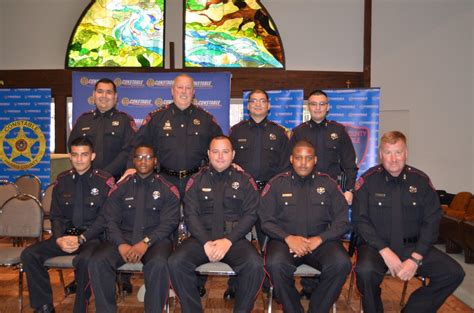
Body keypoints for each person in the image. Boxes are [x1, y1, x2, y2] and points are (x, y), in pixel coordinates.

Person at [352, 131, 465, 313]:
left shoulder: (420, 181)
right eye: (388, 152)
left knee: (453, 273)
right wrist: (385, 251)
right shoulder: (368, 181)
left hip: (412, 247)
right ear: (381, 154)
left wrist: (416, 258)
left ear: (406, 153)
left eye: (398, 152)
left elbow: (432, 220)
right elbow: (360, 221)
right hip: (376, 247)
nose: (394, 158)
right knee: (365, 272)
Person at [168, 136, 264, 313]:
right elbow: (190, 214)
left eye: (225, 152)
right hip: (201, 239)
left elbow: (251, 214)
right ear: (208, 154)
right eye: (216, 151)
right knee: (176, 262)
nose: (220, 156)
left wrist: (228, 241)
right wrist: (205, 242)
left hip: (234, 239)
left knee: (255, 265)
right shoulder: (195, 180)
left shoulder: (244, 180)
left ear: (233, 154)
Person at [21, 137, 114, 313]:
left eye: (84, 155)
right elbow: (56, 216)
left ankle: (80, 308)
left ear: (92, 156)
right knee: (29, 254)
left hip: (92, 238)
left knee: (85, 260)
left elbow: (105, 219)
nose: (79, 159)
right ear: (70, 157)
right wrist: (58, 239)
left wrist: (82, 238)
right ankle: (44, 306)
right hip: (65, 236)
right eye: (75, 155)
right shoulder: (62, 180)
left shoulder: (104, 180)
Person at [260, 140, 351, 313]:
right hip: (285, 241)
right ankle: (293, 309)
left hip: (321, 242)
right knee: (275, 263)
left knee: (341, 263)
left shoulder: (328, 184)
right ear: (291, 159)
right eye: (298, 158)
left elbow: (343, 221)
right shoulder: (277, 184)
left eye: (308, 158)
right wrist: (288, 238)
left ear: (315, 160)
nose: (303, 162)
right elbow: (265, 220)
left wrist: (320, 238)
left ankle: (317, 309)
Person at [89, 144, 180, 313]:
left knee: (159, 264)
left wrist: (145, 242)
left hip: (155, 241)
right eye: (139, 157)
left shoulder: (168, 189)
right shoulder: (120, 188)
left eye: (147, 157)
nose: (143, 161)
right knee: (97, 261)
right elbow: (110, 220)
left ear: (155, 161)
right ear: (134, 160)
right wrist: (121, 244)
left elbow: (169, 223)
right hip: (124, 238)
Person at [290, 89, 357, 298]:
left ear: (328, 107)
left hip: (331, 194)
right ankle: (308, 287)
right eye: (313, 104)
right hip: (303, 191)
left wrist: (349, 190)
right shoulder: (299, 132)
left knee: (326, 238)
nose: (317, 107)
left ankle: (322, 286)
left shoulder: (339, 131)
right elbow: (288, 163)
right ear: (308, 107)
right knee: (305, 232)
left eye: (322, 104)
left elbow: (349, 164)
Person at [226, 88, 291, 298]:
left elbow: (284, 167)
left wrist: (273, 192)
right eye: (253, 101)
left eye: (262, 101)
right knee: (237, 238)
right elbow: (228, 162)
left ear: (269, 105)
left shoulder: (280, 133)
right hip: (241, 193)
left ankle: (268, 281)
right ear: (248, 105)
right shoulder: (236, 131)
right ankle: (234, 285)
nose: (257, 104)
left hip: (267, 193)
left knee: (268, 239)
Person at [123, 74, 223, 197]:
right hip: (163, 181)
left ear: (193, 92)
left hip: (197, 180)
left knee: (194, 216)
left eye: (188, 88)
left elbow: (221, 146)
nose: (184, 91)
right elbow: (137, 145)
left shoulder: (206, 119)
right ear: (172, 91)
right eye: (180, 87)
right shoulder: (156, 118)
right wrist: (131, 167)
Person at [68, 78, 137, 179]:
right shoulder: (83, 120)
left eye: (109, 92)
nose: (104, 96)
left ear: (115, 97)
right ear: (94, 94)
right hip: (85, 178)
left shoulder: (125, 120)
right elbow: (73, 148)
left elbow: (130, 151)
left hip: (115, 179)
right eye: (100, 92)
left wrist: (106, 174)